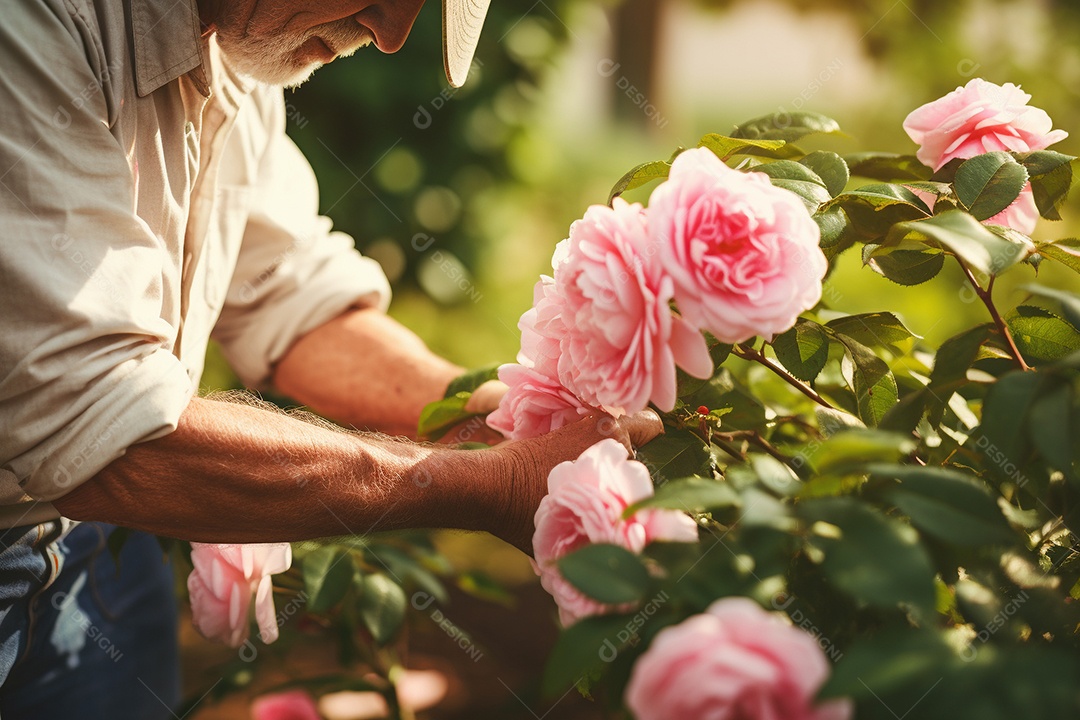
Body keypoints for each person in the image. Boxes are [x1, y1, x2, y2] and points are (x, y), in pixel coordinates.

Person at [0, 0, 661, 716]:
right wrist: (490, 487)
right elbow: (98, 429)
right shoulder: (32, 29)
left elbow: (288, 296)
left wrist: (490, 410)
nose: (389, 34)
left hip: (95, 556)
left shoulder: (229, 41)